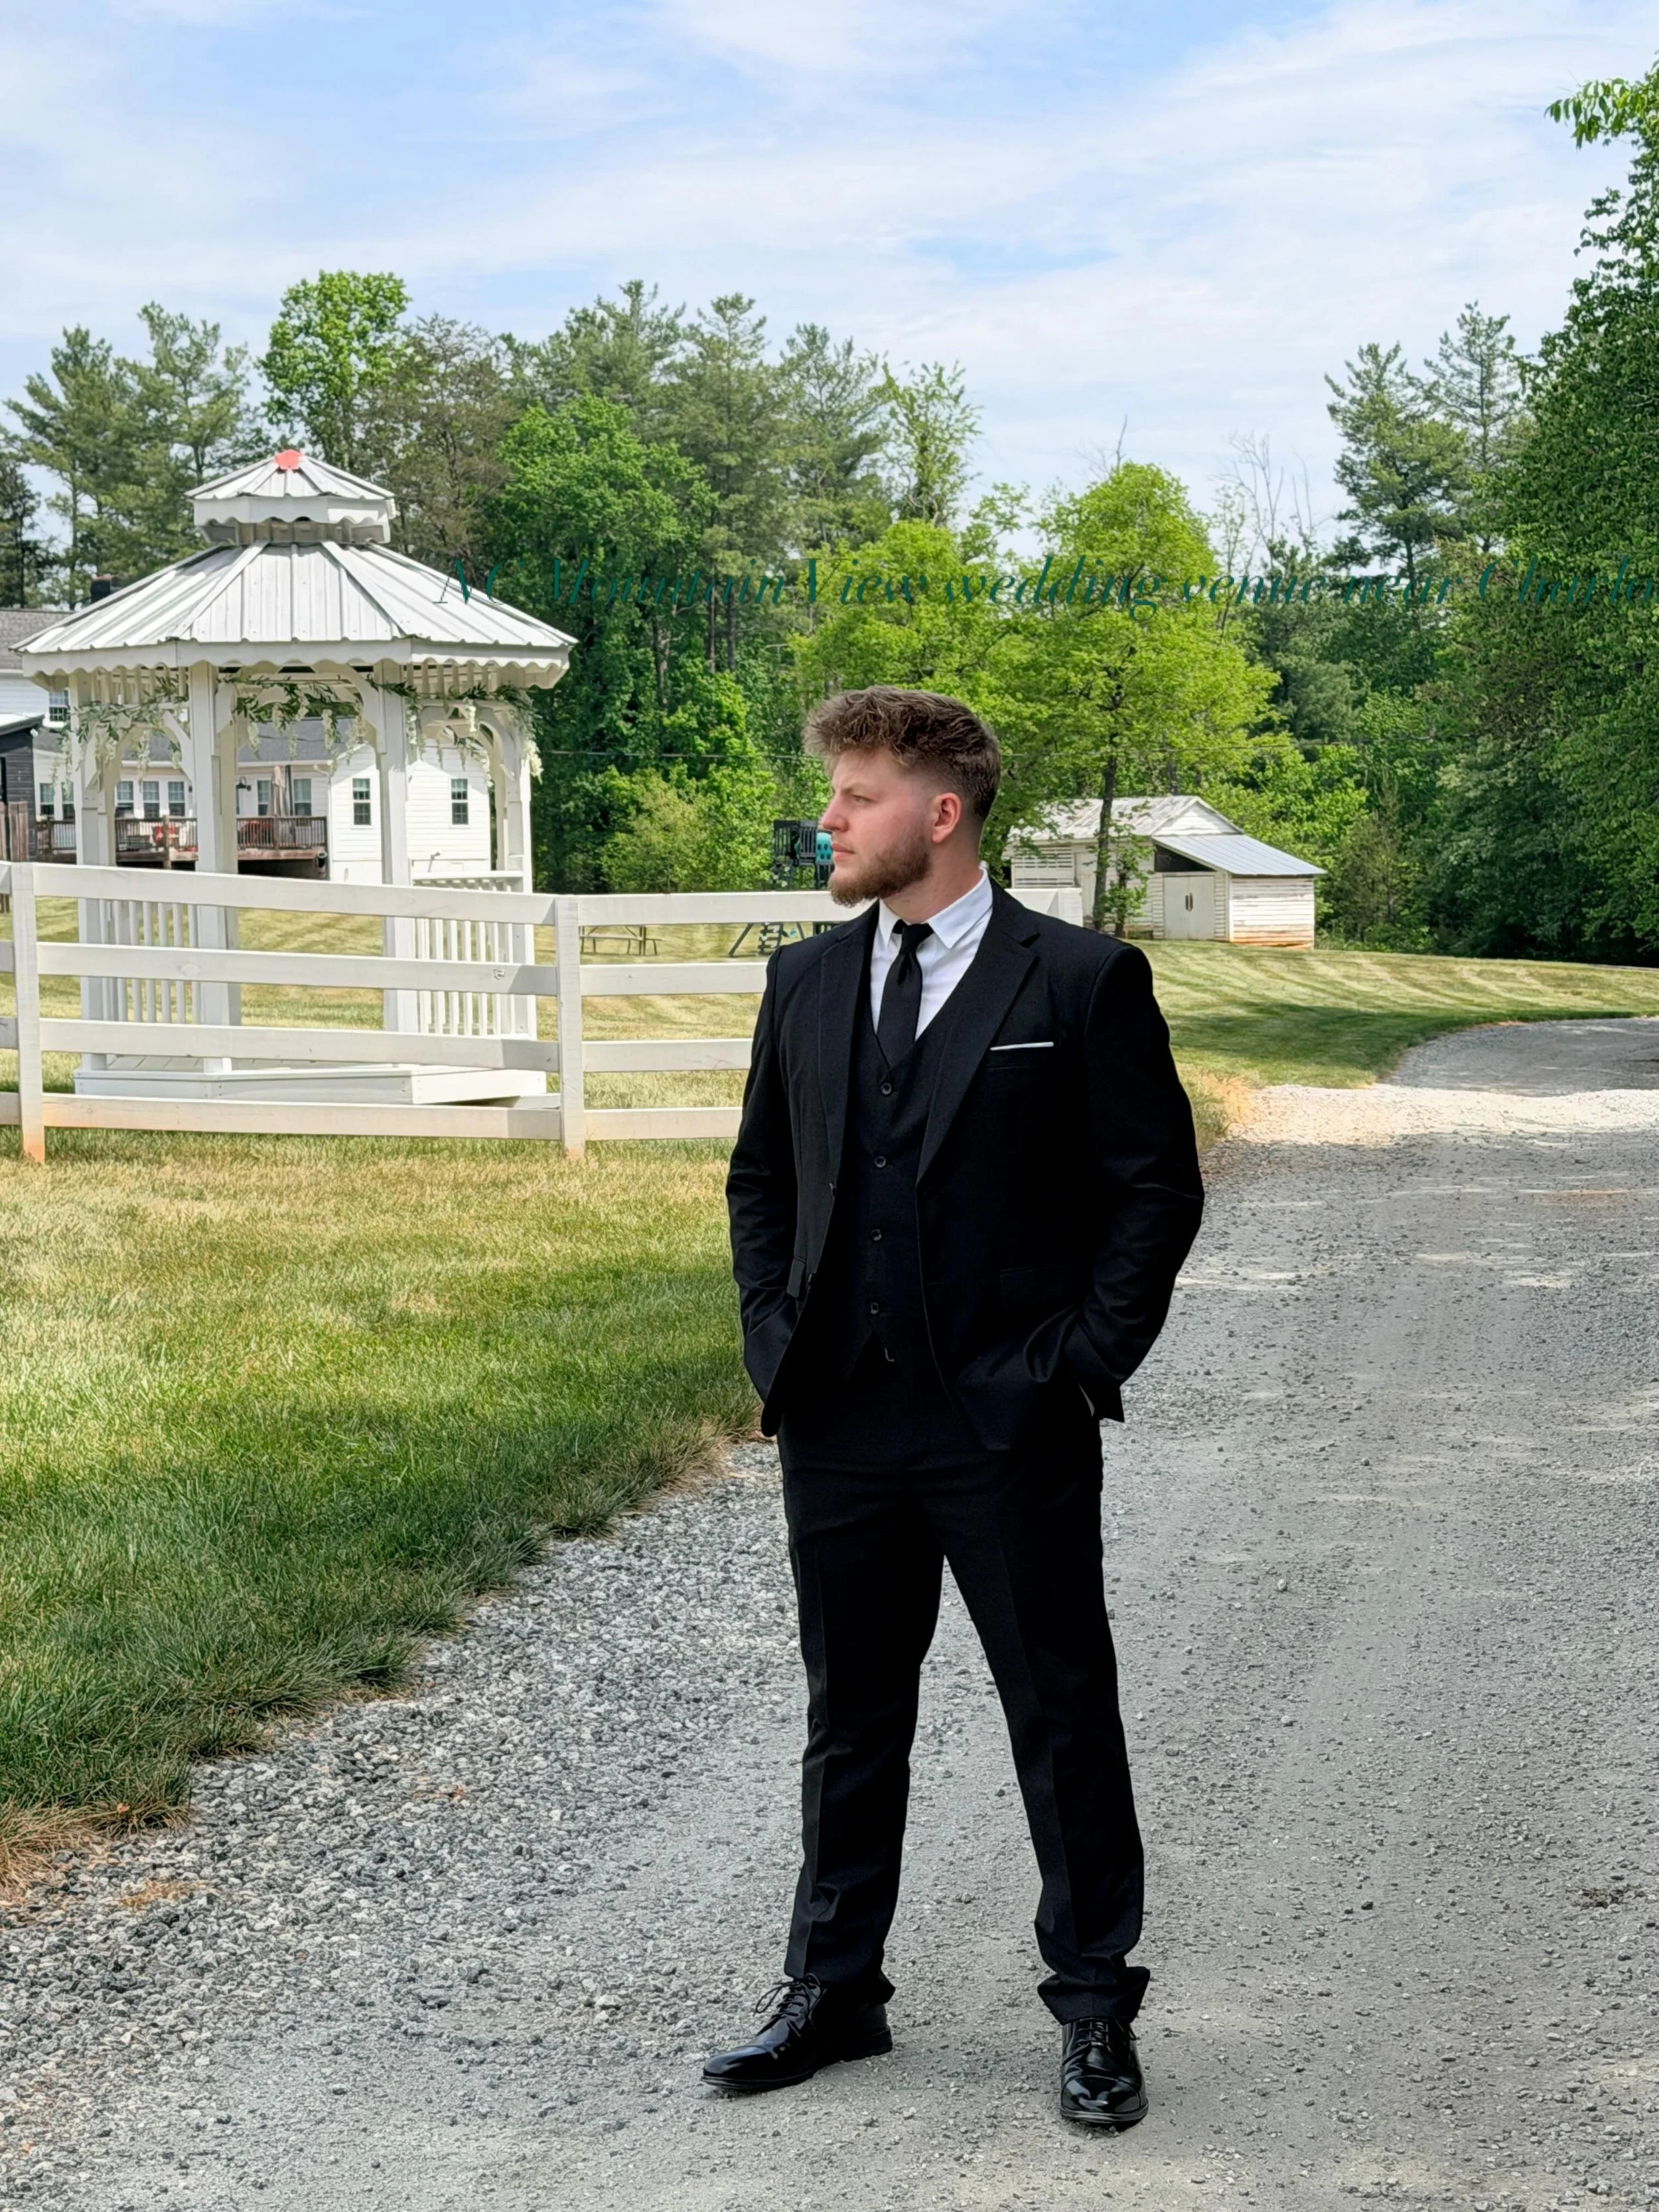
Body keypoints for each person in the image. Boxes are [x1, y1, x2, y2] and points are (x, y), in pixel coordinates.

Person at [710, 687, 1203, 2128]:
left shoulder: (1077, 980)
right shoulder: (802, 980)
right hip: (839, 1420)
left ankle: (1095, 2003)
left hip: (1006, 1420)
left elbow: (1150, 1191)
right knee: (849, 1713)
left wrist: (1076, 1358)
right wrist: (772, 1345)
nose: (829, 818)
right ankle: (835, 1989)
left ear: (938, 812)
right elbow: (761, 1183)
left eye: (854, 795)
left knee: (1057, 1711)